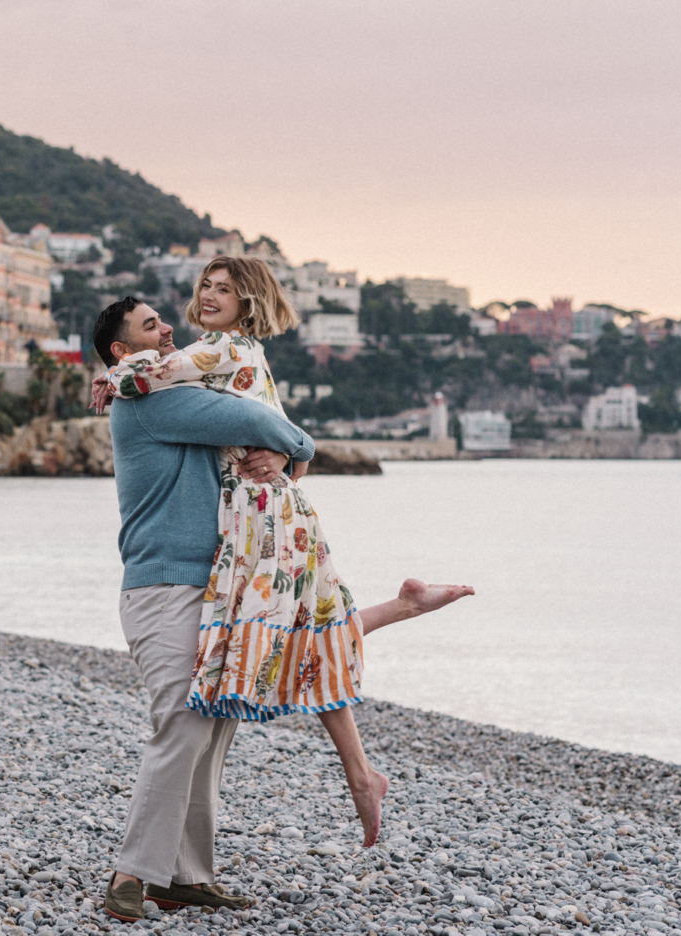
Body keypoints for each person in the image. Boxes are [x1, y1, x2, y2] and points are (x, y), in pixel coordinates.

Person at [91, 289, 473, 923]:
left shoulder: (173, 389)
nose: (168, 333)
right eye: (150, 327)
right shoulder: (150, 399)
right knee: (181, 728)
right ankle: (131, 873)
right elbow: (259, 420)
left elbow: (251, 437)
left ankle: (184, 875)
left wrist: (283, 461)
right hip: (165, 587)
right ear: (120, 352)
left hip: (214, 587)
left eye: (165, 322)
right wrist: (302, 448)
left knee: (212, 729)